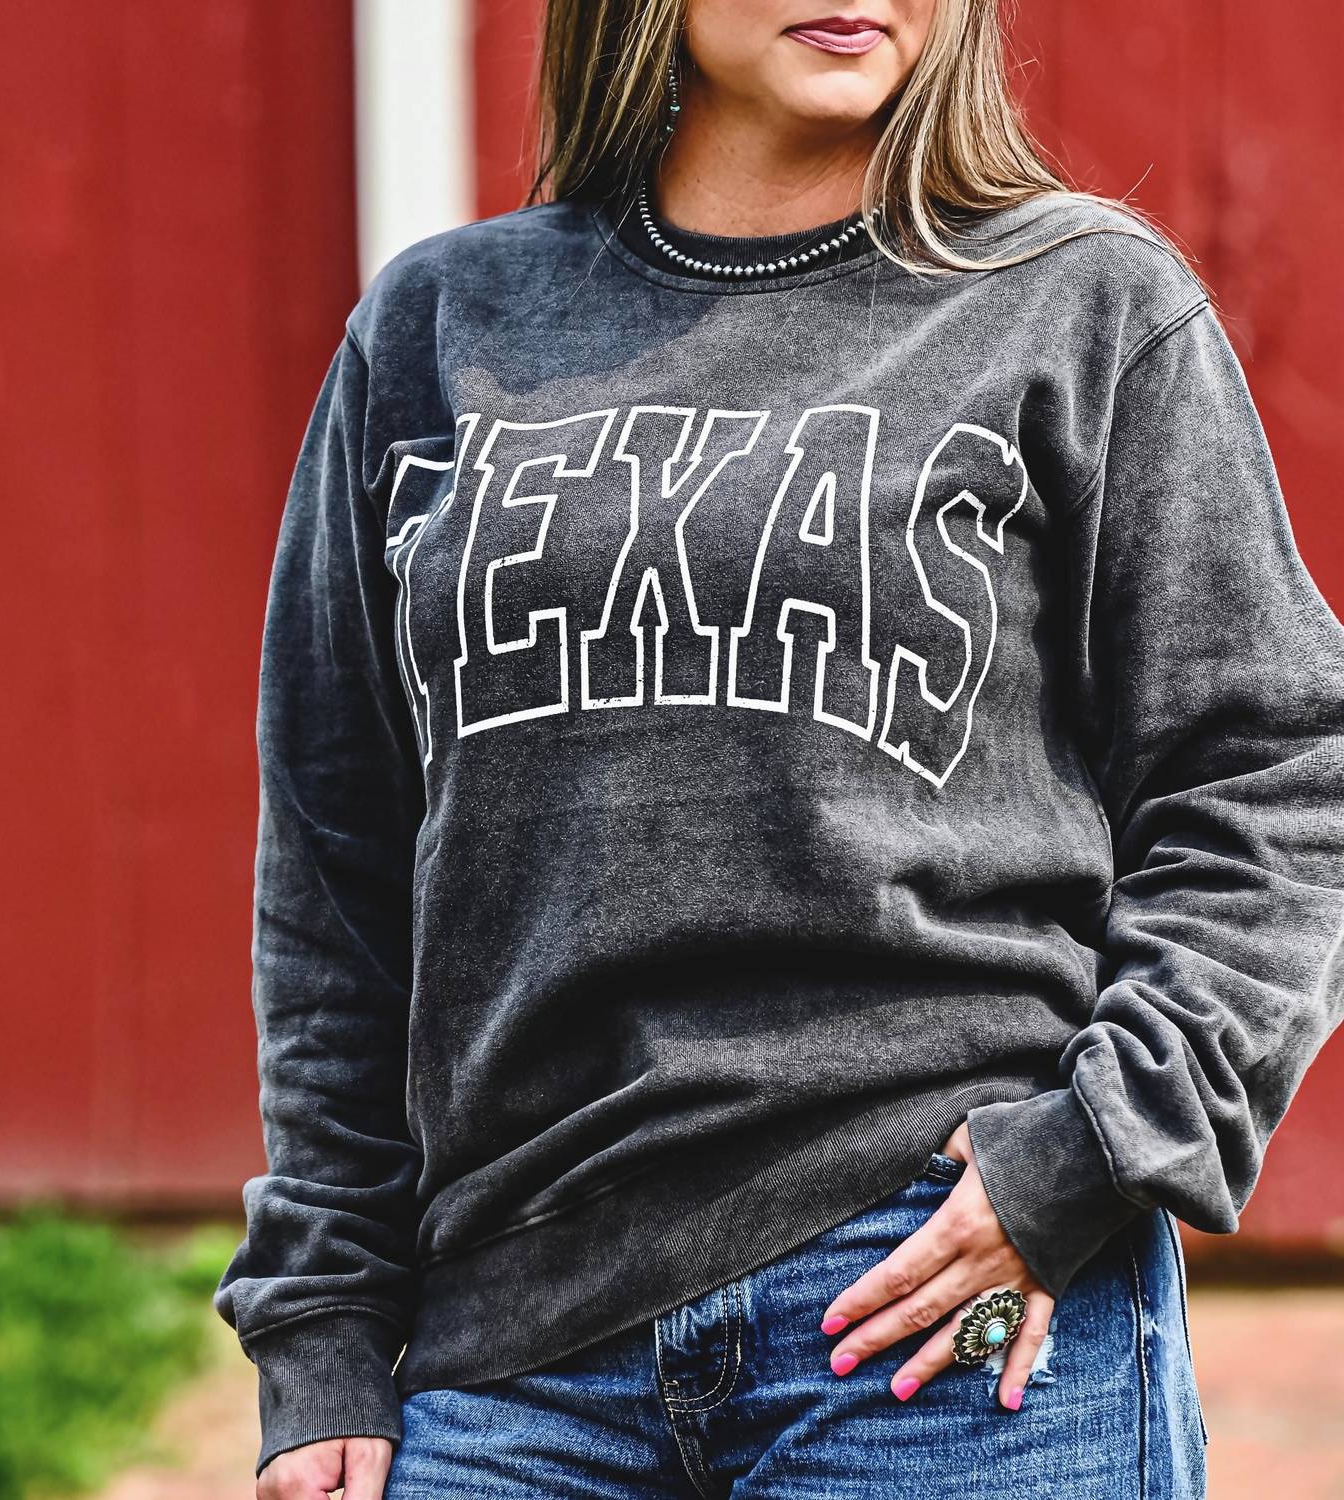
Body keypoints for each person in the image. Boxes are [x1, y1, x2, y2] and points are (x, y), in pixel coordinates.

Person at [214, 2, 1344, 1496]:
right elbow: (337, 864)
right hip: (515, 1339)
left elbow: (1276, 775)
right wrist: (324, 1322)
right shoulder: (438, 325)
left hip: (941, 1313)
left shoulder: (1081, 300)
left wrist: (1090, 1152)